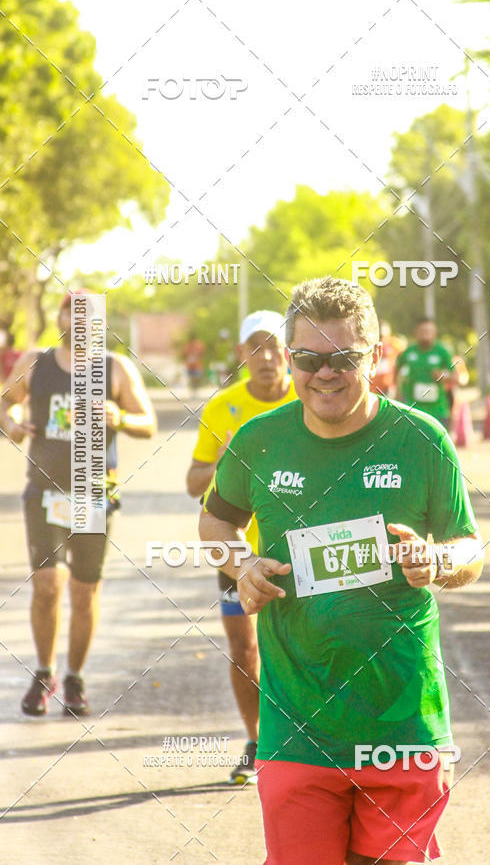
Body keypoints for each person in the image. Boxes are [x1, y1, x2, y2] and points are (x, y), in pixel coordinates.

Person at [200, 276, 484, 865]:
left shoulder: (422, 440)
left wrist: (438, 561)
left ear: (375, 356)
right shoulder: (257, 441)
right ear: (289, 356)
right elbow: (215, 523)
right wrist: (241, 564)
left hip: (403, 724)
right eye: (307, 357)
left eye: (343, 358)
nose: (323, 373)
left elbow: (469, 546)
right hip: (297, 721)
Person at [0, 290, 156, 718]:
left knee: (84, 592)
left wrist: (118, 417)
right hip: (44, 491)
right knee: (46, 586)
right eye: (75, 312)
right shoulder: (36, 361)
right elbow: (4, 402)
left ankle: (74, 677)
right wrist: (12, 425)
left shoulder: (115, 368)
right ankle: (44, 672)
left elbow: (148, 421)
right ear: (62, 316)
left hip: (93, 493)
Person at [186, 310, 296, 784]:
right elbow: (194, 484)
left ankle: (303, 743)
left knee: (303, 647)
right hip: (237, 553)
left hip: (298, 552)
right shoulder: (221, 408)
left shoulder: (310, 395)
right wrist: (227, 461)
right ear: (242, 354)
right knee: (244, 649)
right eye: (257, 347)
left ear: (289, 351)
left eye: (275, 346)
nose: (267, 358)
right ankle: (256, 743)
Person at [395, 318, 457, 428]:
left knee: (436, 444)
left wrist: (442, 376)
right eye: (422, 331)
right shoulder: (409, 352)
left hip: (437, 411)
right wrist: (398, 393)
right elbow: (396, 372)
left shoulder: (442, 352)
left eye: (428, 331)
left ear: (435, 333)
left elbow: (455, 377)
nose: (425, 335)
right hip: (413, 410)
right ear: (416, 332)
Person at [369, 320, 405, 397]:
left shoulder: (394, 344)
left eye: (383, 336)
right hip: (371, 389)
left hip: (387, 389)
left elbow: (406, 353)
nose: (381, 339)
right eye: (379, 336)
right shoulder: (369, 346)